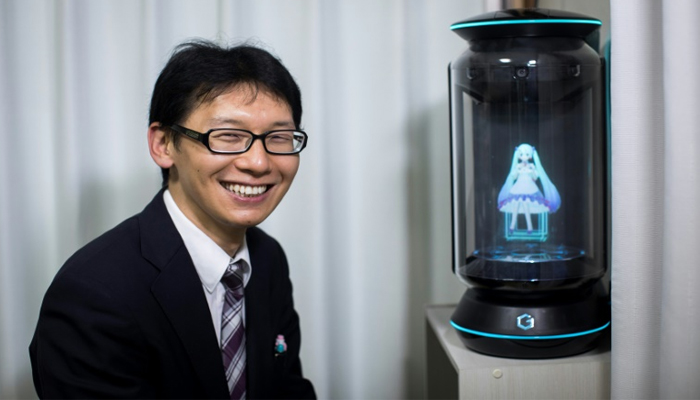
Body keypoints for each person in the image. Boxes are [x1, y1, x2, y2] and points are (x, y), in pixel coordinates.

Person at [29, 40, 316, 399]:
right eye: (229, 136)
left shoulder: (267, 257)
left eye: (279, 137)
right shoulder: (93, 294)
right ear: (163, 144)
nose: (258, 163)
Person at [497, 143, 560, 233]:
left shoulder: (532, 166)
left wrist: (531, 172)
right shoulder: (518, 166)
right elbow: (513, 176)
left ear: (530, 156)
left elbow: (535, 177)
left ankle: (528, 227)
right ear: (519, 156)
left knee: (525, 204)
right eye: (521, 154)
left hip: (529, 186)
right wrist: (516, 171)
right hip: (519, 186)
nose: (524, 156)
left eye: (526, 154)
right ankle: (513, 225)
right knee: (516, 205)